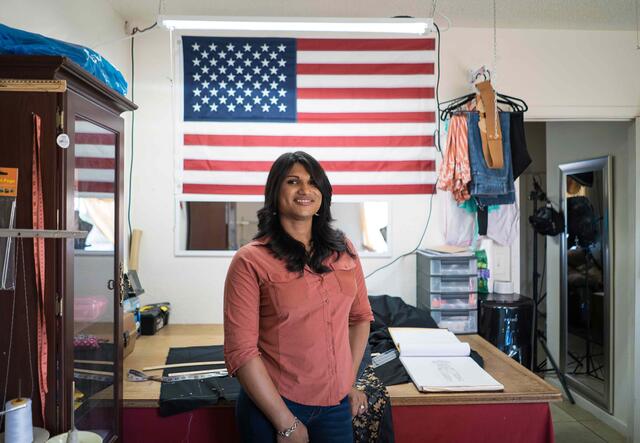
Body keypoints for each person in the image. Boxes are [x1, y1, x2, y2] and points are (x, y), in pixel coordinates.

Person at [224, 151, 373, 442]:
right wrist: (286, 423)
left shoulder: (345, 250)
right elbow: (241, 353)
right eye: (293, 181)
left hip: (335, 408)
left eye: (312, 182)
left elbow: (360, 318)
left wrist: (347, 381)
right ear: (275, 192)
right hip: (274, 406)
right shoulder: (250, 260)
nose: (305, 190)